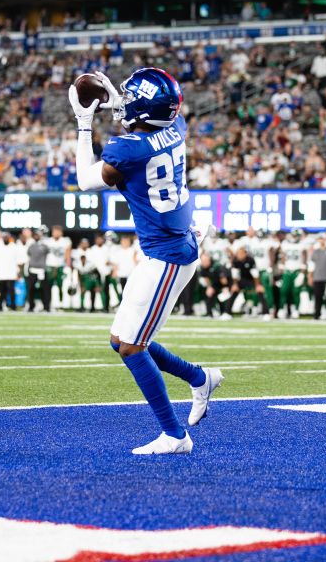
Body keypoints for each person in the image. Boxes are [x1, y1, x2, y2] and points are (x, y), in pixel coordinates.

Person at [70, 67, 222, 454]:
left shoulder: (128, 149)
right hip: (169, 245)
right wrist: (121, 104)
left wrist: (84, 121)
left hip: (168, 256)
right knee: (120, 340)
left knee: (132, 348)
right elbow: (151, 119)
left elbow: (87, 181)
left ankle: (175, 436)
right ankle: (200, 378)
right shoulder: (178, 126)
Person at [277, 230, 307, 319]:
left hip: (297, 271)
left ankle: (295, 309)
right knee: (284, 291)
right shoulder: (285, 244)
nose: (294, 237)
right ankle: (282, 309)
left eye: (296, 235)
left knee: (296, 292)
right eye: (293, 235)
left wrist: (302, 273)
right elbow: (283, 257)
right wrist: (280, 273)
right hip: (287, 271)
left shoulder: (302, 245)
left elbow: (304, 259)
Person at [308, 233, 326, 320]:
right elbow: (311, 265)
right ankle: (317, 314)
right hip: (317, 277)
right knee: (318, 297)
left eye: (323, 239)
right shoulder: (315, 252)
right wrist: (310, 276)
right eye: (320, 239)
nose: (321, 240)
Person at [45, 226, 72, 311]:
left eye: (57, 231)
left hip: (60, 266)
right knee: (48, 287)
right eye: (54, 231)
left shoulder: (65, 241)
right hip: (50, 266)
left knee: (61, 286)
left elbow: (68, 255)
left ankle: (60, 304)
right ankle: (48, 305)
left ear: (61, 232)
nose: (56, 233)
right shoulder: (47, 241)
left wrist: (68, 266)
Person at [25, 228, 51, 312]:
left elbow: (48, 252)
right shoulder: (31, 245)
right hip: (32, 269)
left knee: (45, 289)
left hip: (42, 270)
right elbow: (29, 255)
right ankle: (31, 306)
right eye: (35, 235)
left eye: (37, 235)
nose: (36, 236)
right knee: (30, 289)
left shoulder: (44, 245)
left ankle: (46, 306)